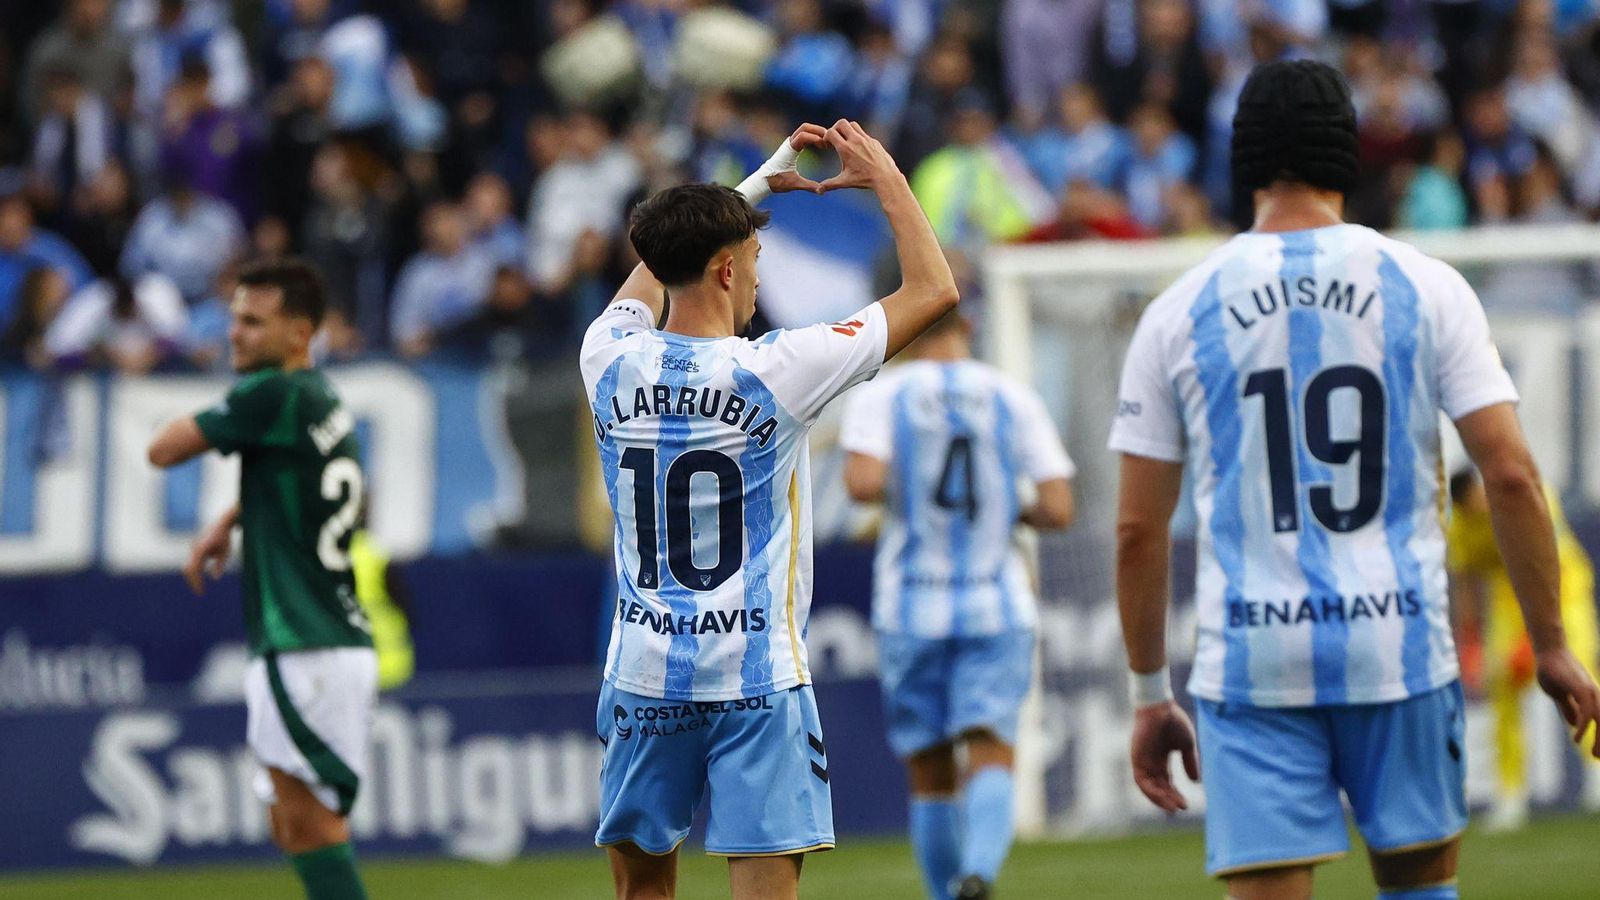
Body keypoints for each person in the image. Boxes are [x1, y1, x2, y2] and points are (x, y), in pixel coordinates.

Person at [1107, 59, 1600, 900]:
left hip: (1252, 661)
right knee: (1420, 889)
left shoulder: (1178, 310)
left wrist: (1151, 692)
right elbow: (1512, 475)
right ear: (1351, 153)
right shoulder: (1425, 286)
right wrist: (1552, 642)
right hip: (1399, 645)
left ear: (1243, 160)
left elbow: (1137, 530)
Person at [579, 119, 957, 900]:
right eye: (753, 259)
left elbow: (646, 280)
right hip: (757, 680)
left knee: (641, 893)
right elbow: (934, 292)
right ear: (724, 269)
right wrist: (888, 178)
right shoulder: (780, 369)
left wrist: (746, 190)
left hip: (645, 677)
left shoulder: (607, 356)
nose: (758, 278)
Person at [146, 259, 373, 900]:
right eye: (233, 319)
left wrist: (223, 408)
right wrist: (230, 519)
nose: (234, 334)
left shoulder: (268, 395)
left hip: (303, 641)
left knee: (311, 828)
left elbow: (162, 450)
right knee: (291, 822)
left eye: (252, 321)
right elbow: (302, 477)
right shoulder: (322, 397)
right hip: (327, 638)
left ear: (299, 333)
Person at [839, 310, 1075, 900]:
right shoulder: (1011, 396)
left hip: (911, 604)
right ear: (968, 329)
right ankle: (979, 873)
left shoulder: (884, 394)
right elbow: (1059, 507)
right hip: (997, 603)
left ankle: (948, 893)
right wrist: (1006, 506)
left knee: (930, 767)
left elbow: (862, 484)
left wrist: (910, 488)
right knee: (992, 745)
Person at [1446, 454, 1600, 830]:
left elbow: (1552, 563)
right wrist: (1469, 638)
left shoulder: (1531, 496)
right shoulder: (1463, 526)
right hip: (1508, 604)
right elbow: (1466, 580)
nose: (1480, 508)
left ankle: (1598, 772)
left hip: (1562, 596)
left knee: (1580, 680)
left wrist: (1540, 641)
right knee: (1503, 692)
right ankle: (1510, 793)